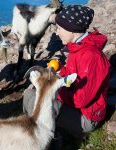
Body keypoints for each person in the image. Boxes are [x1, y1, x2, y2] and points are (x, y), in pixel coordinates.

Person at [23, 4, 110, 141]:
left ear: (72, 31)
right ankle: (35, 132)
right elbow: (73, 75)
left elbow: (82, 99)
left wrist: (54, 91)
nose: (56, 33)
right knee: (30, 94)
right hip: (76, 106)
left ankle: (39, 139)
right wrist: (59, 71)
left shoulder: (91, 56)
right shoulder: (79, 47)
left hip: (86, 117)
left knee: (36, 101)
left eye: (59, 28)